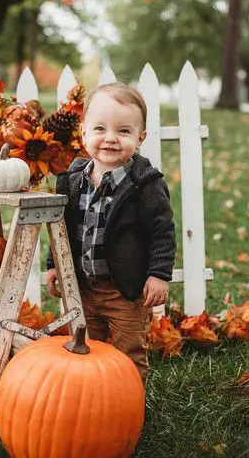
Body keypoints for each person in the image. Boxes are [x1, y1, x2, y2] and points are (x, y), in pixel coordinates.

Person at [46, 82, 176, 385]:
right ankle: (93, 401)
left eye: (124, 131)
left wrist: (158, 274)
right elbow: (61, 228)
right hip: (84, 289)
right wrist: (54, 264)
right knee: (87, 348)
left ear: (140, 138)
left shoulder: (145, 184)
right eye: (100, 128)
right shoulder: (72, 180)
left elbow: (162, 231)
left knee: (128, 352)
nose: (110, 139)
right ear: (84, 132)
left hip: (126, 291)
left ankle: (127, 409)